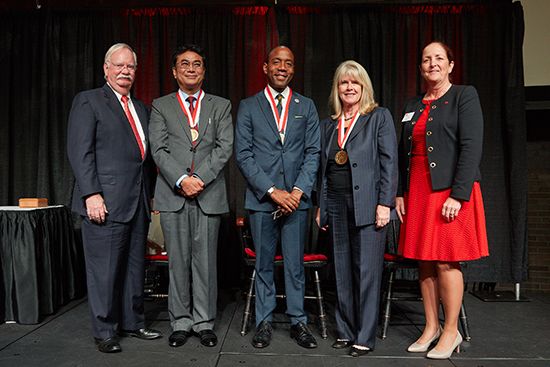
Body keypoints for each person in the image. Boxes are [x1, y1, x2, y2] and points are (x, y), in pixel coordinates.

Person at [396, 41, 489, 360]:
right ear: (420, 67)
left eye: (439, 58)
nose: (432, 63)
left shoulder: (464, 96)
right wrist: (399, 192)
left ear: (451, 65)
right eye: (426, 59)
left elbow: (471, 146)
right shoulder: (413, 103)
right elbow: (402, 152)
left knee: (447, 259)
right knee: (424, 260)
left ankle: (452, 331)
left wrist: (459, 194)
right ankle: (431, 327)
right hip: (418, 190)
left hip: (450, 190)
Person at [67, 43, 162, 353]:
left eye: (131, 67)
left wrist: (149, 196)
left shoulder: (141, 108)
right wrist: (91, 194)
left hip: (137, 202)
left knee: (135, 268)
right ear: (106, 69)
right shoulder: (89, 101)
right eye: (119, 65)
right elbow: (80, 153)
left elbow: (141, 159)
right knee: (104, 270)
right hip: (104, 201)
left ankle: (133, 322)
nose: (125, 71)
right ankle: (105, 331)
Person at [235, 46, 320, 349]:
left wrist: (297, 192)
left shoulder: (306, 106)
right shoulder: (249, 106)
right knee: (265, 265)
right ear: (265, 67)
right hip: (262, 201)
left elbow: (313, 153)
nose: (282, 67)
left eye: (288, 63)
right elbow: (243, 156)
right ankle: (264, 321)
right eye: (276, 62)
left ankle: (298, 321)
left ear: (293, 69)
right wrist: (273, 192)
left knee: (295, 265)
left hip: (297, 203)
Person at [148, 44, 233, 349]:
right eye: (184, 64)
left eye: (197, 64)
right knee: (178, 263)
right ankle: (181, 322)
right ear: (174, 71)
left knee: (206, 263)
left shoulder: (220, 105)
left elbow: (224, 148)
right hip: (174, 195)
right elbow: (157, 148)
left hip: (208, 193)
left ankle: (204, 322)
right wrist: (183, 179)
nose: (191, 69)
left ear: (204, 70)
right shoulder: (161, 105)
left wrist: (199, 179)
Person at [315, 60, 398, 357]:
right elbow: (323, 170)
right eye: (343, 83)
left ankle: (364, 335)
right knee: (340, 270)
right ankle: (345, 330)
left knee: (366, 272)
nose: (349, 88)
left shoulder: (378, 117)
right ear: (337, 89)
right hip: (335, 203)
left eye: (355, 83)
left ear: (364, 88)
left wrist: (384, 203)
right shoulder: (329, 124)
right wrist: (321, 206)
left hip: (368, 204)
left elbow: (389, 163)